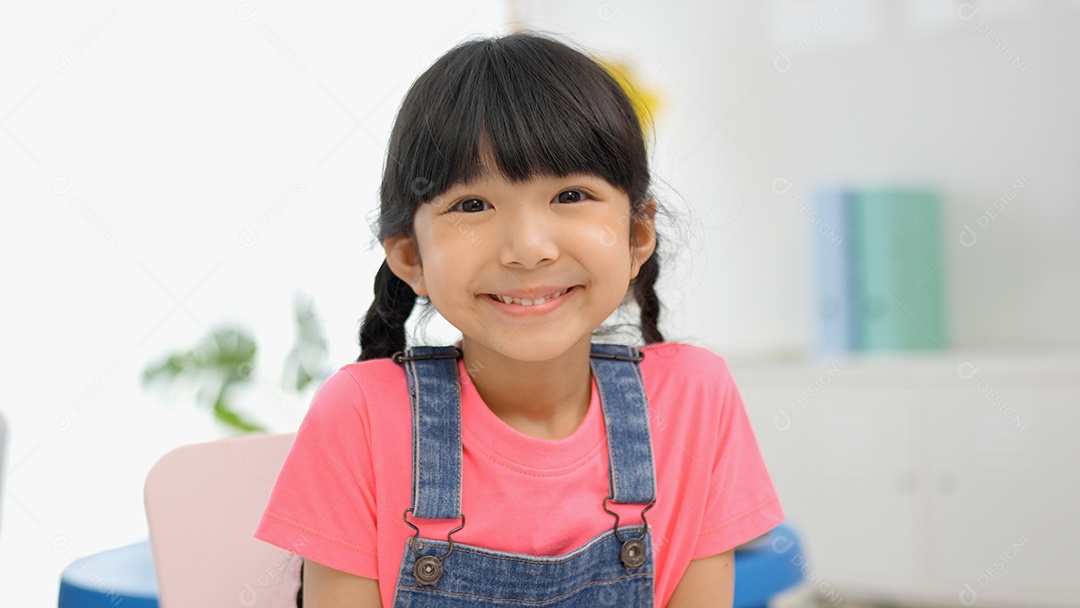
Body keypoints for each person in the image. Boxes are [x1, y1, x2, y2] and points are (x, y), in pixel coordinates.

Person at [255, 32, 784, 607]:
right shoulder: (360, 416)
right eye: (472, 205)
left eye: (571, 194)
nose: (528, 248)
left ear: (637, 233)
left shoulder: (693, 402)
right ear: (410, 254)